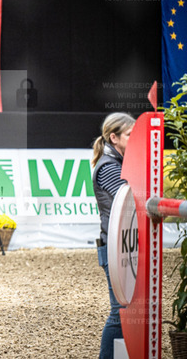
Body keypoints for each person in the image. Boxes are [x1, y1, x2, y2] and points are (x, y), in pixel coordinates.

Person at [91, 112, 135, 359]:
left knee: (124, 311)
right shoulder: (109, 166)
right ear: (114, 138)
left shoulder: (116, 162)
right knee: (119, 313)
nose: (135, 139)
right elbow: (132, 201)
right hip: (115, 247)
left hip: (120, 245)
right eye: (130, 135)